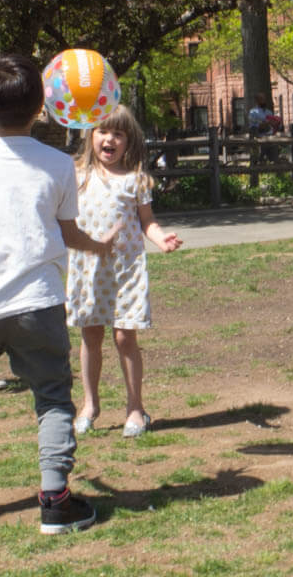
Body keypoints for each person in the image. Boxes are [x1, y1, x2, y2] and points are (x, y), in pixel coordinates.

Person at [0, 53, 117, 535]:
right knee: (54, 397)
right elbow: (67, 232)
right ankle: (56, 499)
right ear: (42, 106)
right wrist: (98, 245)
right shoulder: (58, 164)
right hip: (39, 300)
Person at [66, 105, 183, 439]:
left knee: (124, 335)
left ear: (128, 141)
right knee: (90, 335)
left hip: (125, 270)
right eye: (103, 131)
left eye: (119, 133)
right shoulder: (76, 176)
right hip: (88, 269)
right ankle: (90, 404)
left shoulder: (136, 180)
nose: (110, 139)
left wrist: (160, 238)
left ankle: (135, 407)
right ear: (90, 135)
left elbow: (148, 221)